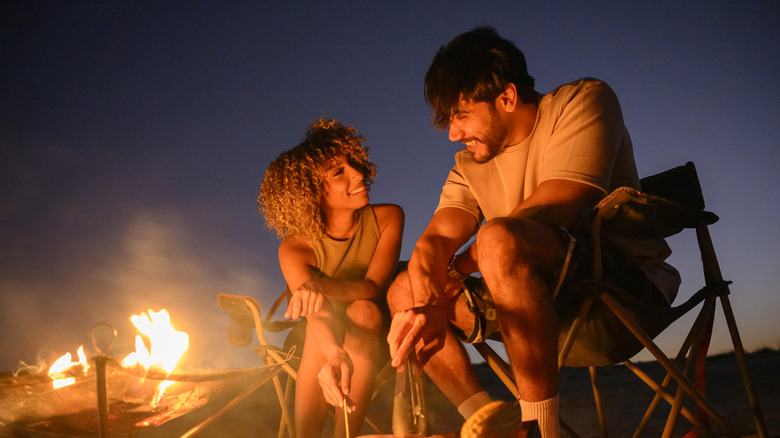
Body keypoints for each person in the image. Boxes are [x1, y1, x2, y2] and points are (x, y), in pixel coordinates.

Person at [386, 27, 680, 438]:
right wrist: (429, 291)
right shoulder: (468, 165)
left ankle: (540, 430)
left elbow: (556, 204)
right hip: (525, 298)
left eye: (460, 114)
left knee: (496, 240)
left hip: (617, 289)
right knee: (403, 292)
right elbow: (435, 240)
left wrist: (454, 274)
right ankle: (493, 425)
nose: (452, 133)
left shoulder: (583, 101)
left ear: (506, 97)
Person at [259, 118, 404, 437]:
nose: (358, 174)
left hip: (373, 331)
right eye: (339, 172)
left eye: (354, 163)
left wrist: (320, 285)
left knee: (363, 311)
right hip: (317, 331)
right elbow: (317, 313)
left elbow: (371, 289)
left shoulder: (388, 218)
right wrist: (335, 353)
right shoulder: (296, 248)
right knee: (319, 327)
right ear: (312, 191)